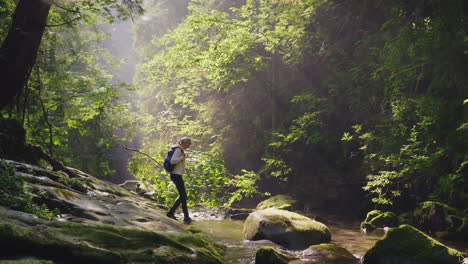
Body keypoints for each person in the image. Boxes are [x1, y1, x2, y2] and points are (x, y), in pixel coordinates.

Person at [166, 136, 192, 224]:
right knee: (183, 196)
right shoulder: (178, 150)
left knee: (183, 196)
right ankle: (171, 212)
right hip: (176, 175)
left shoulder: (179, 149)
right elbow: (172, 161)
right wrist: (182, 157)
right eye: (188, 144)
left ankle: (186, 217)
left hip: (177, 175)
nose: (189, 146)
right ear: (183, 143)